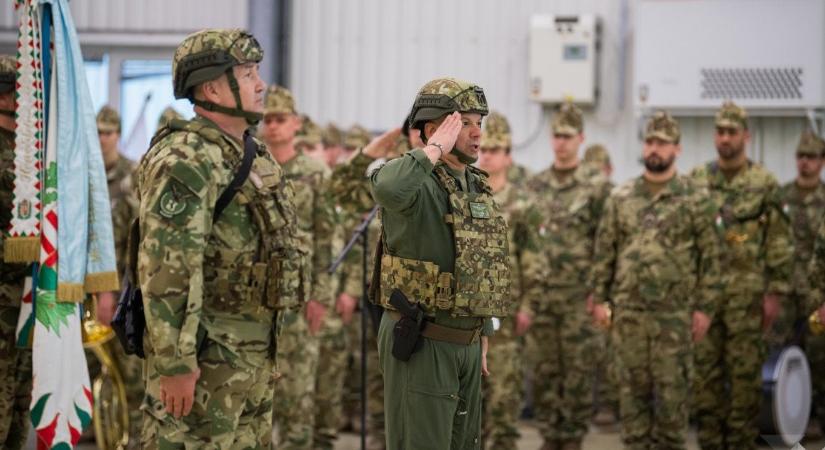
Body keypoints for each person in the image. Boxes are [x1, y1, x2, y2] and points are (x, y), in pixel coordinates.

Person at [136, 28, 307, 448]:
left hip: (252, 355)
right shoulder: (187, 158)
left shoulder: (250, 154)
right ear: (212, 86)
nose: (261, 85)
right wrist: (175, 364)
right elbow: (167, 269)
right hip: (207, 359)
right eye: (248, 74)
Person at [370, 77, 511, 449]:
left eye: (480, 123)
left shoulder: (474, 185)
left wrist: (482, 330)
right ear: (435, 128)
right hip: (423, 341)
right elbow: (386, 189)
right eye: (465, 123)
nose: (477, 133)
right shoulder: (416, 182)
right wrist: (431, 149)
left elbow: (478, 262)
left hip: (464, 342)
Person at [589, 111, 721, 450]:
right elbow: (605, 252)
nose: (654, 149)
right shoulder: (622, 197)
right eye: (650, 142)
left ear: (677, 148)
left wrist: (705, 310)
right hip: (630, 317)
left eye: (662, 143)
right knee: (632, 406)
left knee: (672, 406)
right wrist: (600, 300)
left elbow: (711, 260)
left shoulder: (694, 197)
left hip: (674, 319)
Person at [690, 101, 793, 450]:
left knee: (745, 384)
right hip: (705, 300)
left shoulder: (764, 183)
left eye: (732, 132)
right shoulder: (696, 181)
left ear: (745, 136)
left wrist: (774, 294)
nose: (725, 138)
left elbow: (778, 240)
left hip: (748, 301)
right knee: (705, 383)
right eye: (720, 132)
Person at [523, 101, 611, 450]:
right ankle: (549, 436)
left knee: (577, 373)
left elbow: (606, 241)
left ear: (581, 138)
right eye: (557, 135)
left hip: (579, 297)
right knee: (544, 372)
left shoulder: (596, 186)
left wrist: (599, 291)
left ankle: (572, 438)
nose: (561, 142)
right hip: (543, 296)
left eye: (568, 136)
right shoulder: (536, 185)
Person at [259, 84, 335, 449]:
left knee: (298, 395)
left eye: (280, 119)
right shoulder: (251, 168)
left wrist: (321, 296)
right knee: (259, 396)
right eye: (267, 119)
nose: (273, 126)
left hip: (300, 300)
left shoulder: (315, 173)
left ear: (296, 124)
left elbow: (328, 239)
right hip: (257, 300)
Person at [476, 110, 534, 450]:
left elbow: (533, 261)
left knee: (503, 402)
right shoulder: (468, 197)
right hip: (471, 317)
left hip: (507, 320)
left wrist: (528, 306)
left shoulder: (523, 204)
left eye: (495, 150)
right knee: (470, 407)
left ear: (508, 156)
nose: (487, 156)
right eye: (483, 149)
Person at [95, 105, 143, 447]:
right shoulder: (84, 171)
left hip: (121, 287)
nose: (102, 139)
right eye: (97, 131)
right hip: (87, 284)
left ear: (118, 135)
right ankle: (98, 428)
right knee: (94, 361)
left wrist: (118, 288)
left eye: (108, 132)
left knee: (127, 364)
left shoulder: (131, 175)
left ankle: (135, 433)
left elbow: (136, 236)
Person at [776, 130, 825, 438]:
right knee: (780, 353)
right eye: (800, 156)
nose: (804, 163)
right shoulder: (781, 198)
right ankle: (782, 417)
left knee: (818, 356)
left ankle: (817, 418)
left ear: (822, 162)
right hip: (784, 291)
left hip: (815, 292)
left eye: (811, 157)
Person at [0, 53, 33, 450]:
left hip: (29, 298)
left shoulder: (30, 151)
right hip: (4, 295)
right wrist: (20, 250)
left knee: (21, 409)